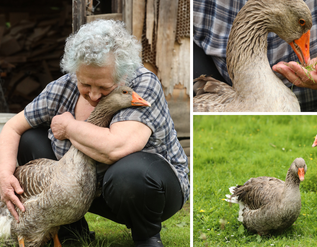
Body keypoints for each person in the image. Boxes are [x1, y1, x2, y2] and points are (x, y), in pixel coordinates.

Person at [0, 19, 189, 247]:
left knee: (130, 173)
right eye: (85, 84)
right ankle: (70, 231)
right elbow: (12, 126)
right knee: (29, 138)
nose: (94, 95)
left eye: (104, 87)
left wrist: (69, 127)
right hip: (81, 192)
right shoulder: (63, 87)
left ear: (122, 75)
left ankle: (146, 237)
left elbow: (115, 148)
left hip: (146, 190)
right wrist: (4, 175)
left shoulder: (141, 85)